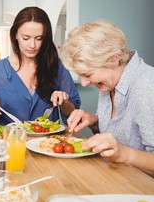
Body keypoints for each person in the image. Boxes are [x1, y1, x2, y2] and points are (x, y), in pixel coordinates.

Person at [61, 20, 154, 177]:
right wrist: (94, 121)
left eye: (88, 74)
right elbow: (118, 134)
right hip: (117, 179)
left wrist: (124, 154)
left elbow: (122, 149)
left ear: (113, 59)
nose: (84, 83)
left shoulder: (147, 88)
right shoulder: (109, 80)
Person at [0, 6, 80, 126]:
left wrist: (64, 102)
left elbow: (73, 114)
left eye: (39, 38)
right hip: (11, 142)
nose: (32, 45)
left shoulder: (57, 67)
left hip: (47, 142)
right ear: (15, 35)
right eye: (26, 38)